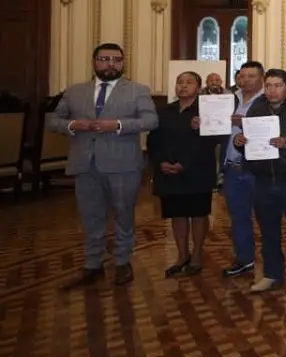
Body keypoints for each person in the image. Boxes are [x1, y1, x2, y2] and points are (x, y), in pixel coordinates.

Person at [49, 43, 158, 287]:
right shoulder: (75, 91)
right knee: (90, 217)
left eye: (117, 60)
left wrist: (118, 125)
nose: (111, 64)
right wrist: (71, 125)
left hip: (123, 164)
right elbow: (53, 119)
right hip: (85, 164)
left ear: (123, 63)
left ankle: (122, 263)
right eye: (105, 59)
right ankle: (92, 265)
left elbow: (151, 120)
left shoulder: (137, 90)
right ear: (94, 61)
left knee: (123, 215)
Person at [233, 69, 286, 294]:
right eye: (269, 85)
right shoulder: (257, 108)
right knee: (268, 229)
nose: (272, 90)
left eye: (277, 85)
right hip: (261, 178)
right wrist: (238, 141)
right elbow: (247, 143)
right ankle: (272, 273)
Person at [147, 71, 219, 277]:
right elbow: (153, 140)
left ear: (198, 87)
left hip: (197, 170)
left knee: (198, 213)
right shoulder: (163, 111)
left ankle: (197, 254)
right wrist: (161, 162)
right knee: (177, 214)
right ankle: (182, 255)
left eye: (189, 82)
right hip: (168, 171)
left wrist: (184, 164)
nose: (183, 86)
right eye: (179, 82)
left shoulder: (205, 111)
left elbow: (209, 141)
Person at [220, 61, 264, 278]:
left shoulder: (269, 99)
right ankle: (244, 259)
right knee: (238, 217)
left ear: (261, 78)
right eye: (242, 76)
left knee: (266, 217)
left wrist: (246, 123)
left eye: (252, 76)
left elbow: (274, 129)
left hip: (257, 169)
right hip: (232, 167)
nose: (246, 80)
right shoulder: (229, 99)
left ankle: (272, 262)